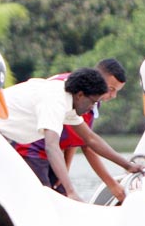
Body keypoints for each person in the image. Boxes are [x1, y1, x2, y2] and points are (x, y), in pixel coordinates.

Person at [0, 67, 143, 202]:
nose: (92, 107)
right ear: (80, 95)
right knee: (41, 198)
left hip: (1, 138)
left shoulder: (70, 101)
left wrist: (128, 166)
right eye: (93, 102)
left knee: (40, 197)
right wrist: (70, 190)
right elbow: (52, 146)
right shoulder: (55, 101)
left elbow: (90, 139)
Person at [15, 59, 128, 201]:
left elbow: (76, 137)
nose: (113, 96)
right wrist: (112, 184)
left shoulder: (90, 97)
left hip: (53, 152)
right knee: (45, 198)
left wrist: (65, 171)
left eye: (116, 91)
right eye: (111, 89)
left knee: (63, 196)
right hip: (32, 147)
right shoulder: (79, 90)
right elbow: (88, 145)